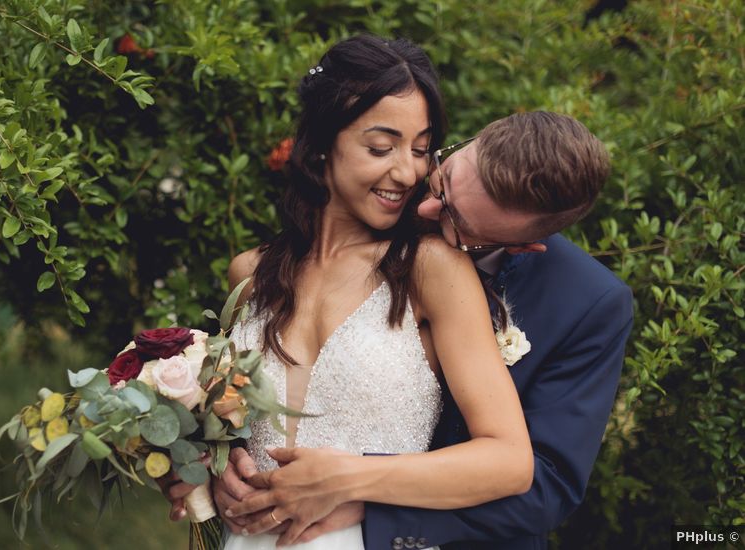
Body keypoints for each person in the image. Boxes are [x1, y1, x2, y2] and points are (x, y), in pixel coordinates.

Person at [166, 34, 535, 550]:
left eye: (421, 149)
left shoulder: (431, 270)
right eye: (380, 148)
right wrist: (213, 470)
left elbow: (509, 461)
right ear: (321, 145)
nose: (406, 172)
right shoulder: (250, 274)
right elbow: (233, 429)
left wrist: (350, 478)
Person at [215, 112, 633, 549]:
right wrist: (224, 460)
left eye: (458, 223)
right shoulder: (395, 188)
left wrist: (366, 499)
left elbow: (547, 485)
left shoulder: (589, 303)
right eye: (442, 180)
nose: (425, 208)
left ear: (523, 244)